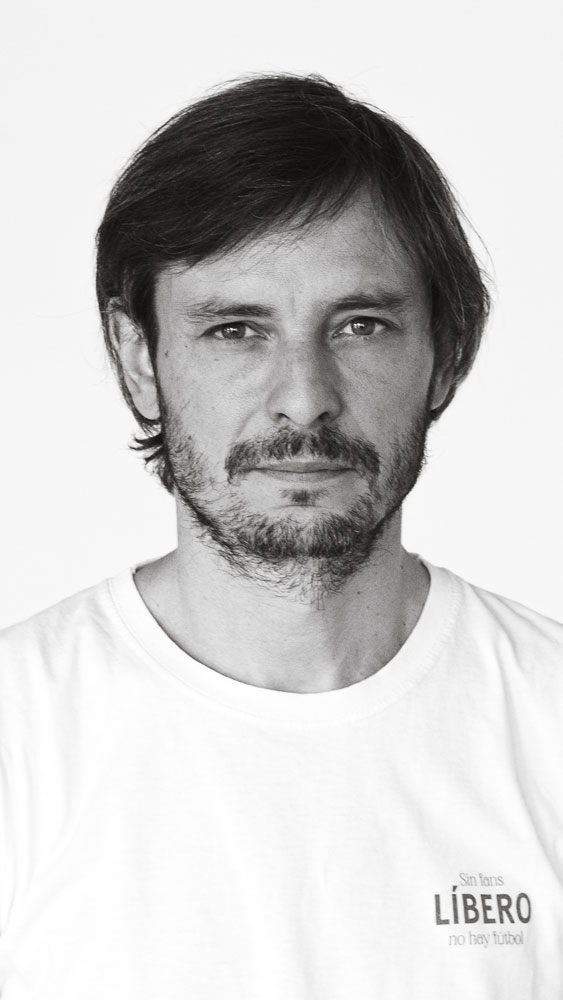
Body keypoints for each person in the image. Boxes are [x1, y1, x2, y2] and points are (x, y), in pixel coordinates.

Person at [0, 74, 561, 1000]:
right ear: (139, 361)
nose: (303, 398)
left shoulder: (545, 723)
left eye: (361, 325)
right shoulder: (20, 740)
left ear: (446, 350)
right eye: (235, 330)